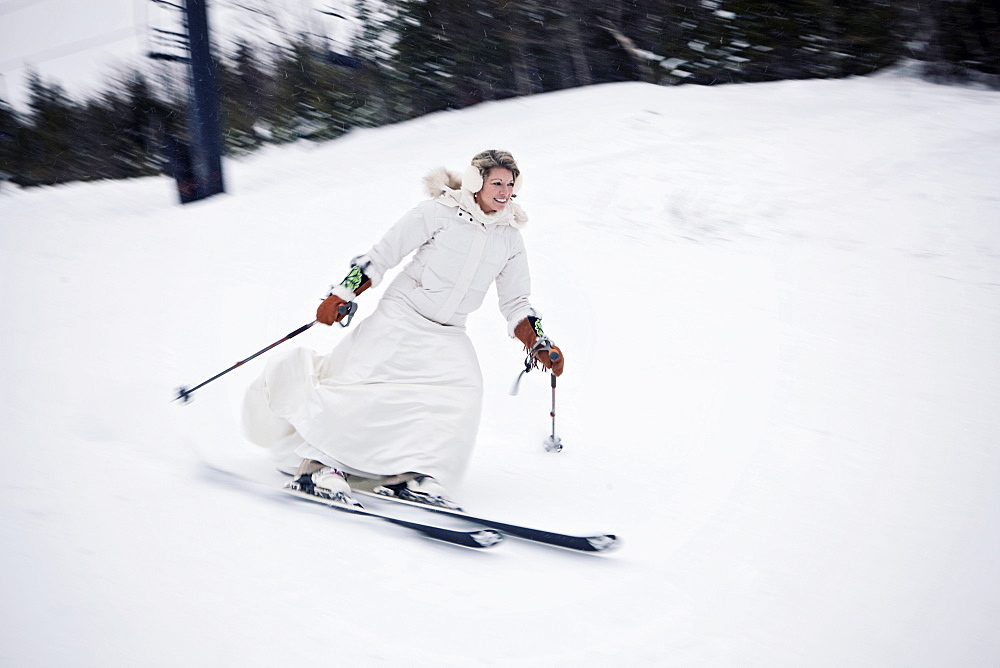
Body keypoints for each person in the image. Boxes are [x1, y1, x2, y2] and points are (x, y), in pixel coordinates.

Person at [242, 150, 564, 509]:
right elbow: (382, 255)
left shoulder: (509, 238)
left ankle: (412, 474)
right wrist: (342, 292)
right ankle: (317, 467)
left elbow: (516, 301)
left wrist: (537, 341)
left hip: (448, 330)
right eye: (496, 183)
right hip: (403, 314)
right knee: (366, 388)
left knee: (460, 391)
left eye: (510, 184)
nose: (504, 192)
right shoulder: (438, 213)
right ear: (476, 182)